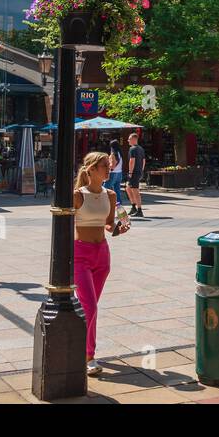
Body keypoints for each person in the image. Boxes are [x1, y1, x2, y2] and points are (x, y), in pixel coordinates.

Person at [73, 150, 126, 376]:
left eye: (109, 164)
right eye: (105, 165)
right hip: (80, 253)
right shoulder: (77, 195)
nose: (109, 168)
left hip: (102, 254)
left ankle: (82, 348)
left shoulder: (111, 195)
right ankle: (88, 355)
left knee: (91, 308)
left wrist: (118, 228)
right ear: (92, 169)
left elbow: (108, 224)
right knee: (90, 307)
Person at [125, 131, 145, 219]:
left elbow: (131, 161)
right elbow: (144, 161)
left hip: (134, 172)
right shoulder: (141, 148)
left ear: (134, 139)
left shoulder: (133, 149)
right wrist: (141, 170)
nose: (127, 140)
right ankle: (133, 207)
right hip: (138, 171)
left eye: (129, 139)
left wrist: (130, 172)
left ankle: (139, 210)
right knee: (128, 188)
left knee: (135, 191)